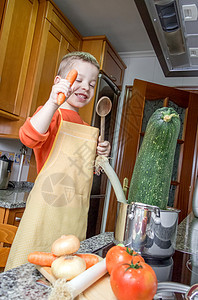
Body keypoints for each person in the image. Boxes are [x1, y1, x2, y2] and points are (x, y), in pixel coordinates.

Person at [5, 51, 111, 271]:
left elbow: (87, 172)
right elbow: (29, 136)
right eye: (78, 80)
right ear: (59, 82)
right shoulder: (51, 114)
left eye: (92, 84)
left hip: (75, 213)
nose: (85, 88)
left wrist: (99, 156)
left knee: (65, 272)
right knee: (30, 271)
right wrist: (53, 102)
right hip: (47, 209)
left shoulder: (84, 126)